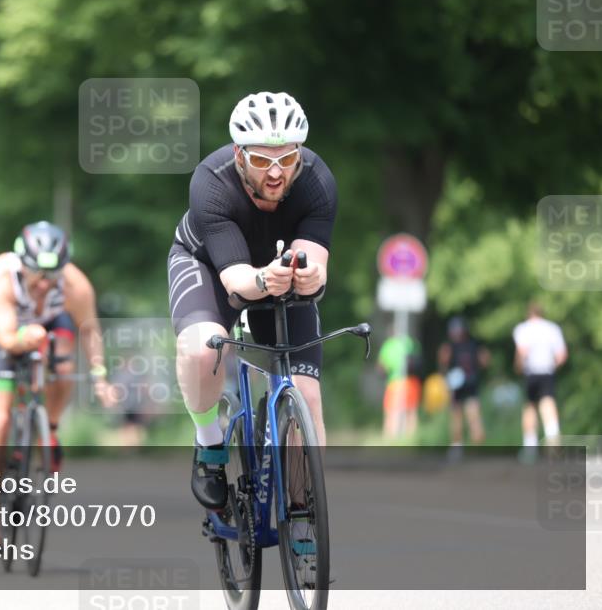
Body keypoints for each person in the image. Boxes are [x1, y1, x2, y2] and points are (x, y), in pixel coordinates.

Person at [167, 91, 336, 583]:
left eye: (288, 158)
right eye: (263, 160)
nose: (278, 171)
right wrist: (265, 281)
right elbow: (238, 278)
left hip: (275, 268)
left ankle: (304, 509)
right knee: (202, 349)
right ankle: (210, 443)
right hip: (213, 267)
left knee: (305, 390)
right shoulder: (211, 182)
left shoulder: (318, 181)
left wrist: (310, 278)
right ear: (240, 155)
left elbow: (316, 259)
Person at [0, 221, 115, 547]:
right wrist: (27, 336)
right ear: (21, 264)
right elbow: (7, 340)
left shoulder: (75, 285)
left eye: (51, 276)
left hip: (51, 323)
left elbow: (90, 331)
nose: (42, 283)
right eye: (35, 273)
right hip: (8, 332)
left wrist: (99, 376)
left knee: (63, 360)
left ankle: (49, 427)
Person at [512, 302, 567, 453]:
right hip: (548, 371)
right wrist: (552, 366)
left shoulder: (523, 329)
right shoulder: (552, 328)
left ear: (529, 314)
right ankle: (553, 441)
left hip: (531, 372)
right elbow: (561, 356)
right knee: (548, 403)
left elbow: (522, 352)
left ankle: (530, 446)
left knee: (530, 407)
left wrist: (518, 367)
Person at [437, 317, 489, 454]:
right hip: (457, 386)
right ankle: (457, 445)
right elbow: (443, 362)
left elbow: (484, 361)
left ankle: (474, 445)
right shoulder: (450, 346)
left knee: (473, 416)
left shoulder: (473, 344)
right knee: (457, 416)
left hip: (471, 384)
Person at [377, 330, 422, 438]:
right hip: (411, 381)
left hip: (395, 382)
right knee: (411, 412)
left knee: (391, 413)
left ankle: (390, 439)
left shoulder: (388, 345)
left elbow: (382, 366)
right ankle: (411, 439)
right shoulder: (410, 342)